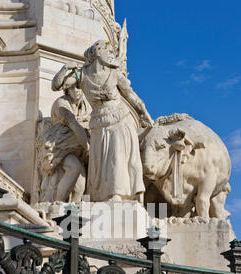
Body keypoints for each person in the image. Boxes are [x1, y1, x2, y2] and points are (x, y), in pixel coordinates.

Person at [58, 40, 153, 202]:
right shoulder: (82, 74)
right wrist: (65, 68)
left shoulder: (114, 73)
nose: (110, 55)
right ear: (98, 54)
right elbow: (57, 85)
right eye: (107, 51)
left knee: (117, 156)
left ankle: (117, 194)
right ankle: (100, 196)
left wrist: (144, 112)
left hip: (119, 120)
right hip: (98, 123)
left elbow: (130, 95)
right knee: (100, 161)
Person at [35, 66, 90, 203]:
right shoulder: (61, 104)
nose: (78, 91)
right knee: (74, 167)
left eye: (80, 87)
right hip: (57, 147)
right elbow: (75, 126)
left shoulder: (85, 106)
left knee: (80, 186)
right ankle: (58, 205)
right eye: (74, 87)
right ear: (67, 89)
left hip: (74, 146)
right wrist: (89, 147)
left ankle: (74, 214)